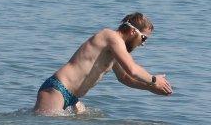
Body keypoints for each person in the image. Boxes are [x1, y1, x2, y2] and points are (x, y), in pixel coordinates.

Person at [33, 13, 172, 115]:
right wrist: (154, 80)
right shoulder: (110, 36)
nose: (143, 44)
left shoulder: (116, 49)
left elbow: (125, 78)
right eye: (143, 38)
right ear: (132, 31)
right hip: (58, 90)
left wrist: (149, 88)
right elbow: (132, 69)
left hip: (72, 98)